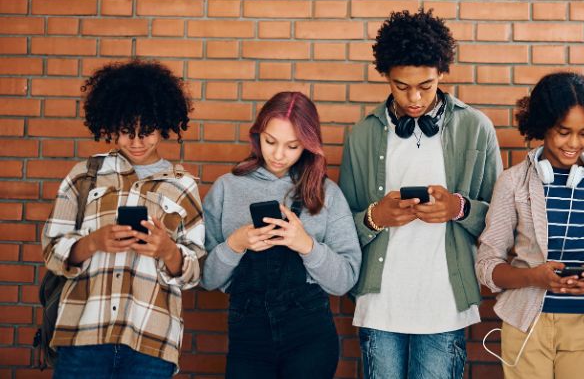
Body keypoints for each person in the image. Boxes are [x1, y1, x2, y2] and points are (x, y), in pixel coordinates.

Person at [338, 9, 503, 379]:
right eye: (401, 86)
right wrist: (374, 218)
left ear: (442, 73)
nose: (414, 98)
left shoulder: (476, 128)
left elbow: (502, 222)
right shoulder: (362, 134)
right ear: (385, 76)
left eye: (425, 86)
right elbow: (340, 227)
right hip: (379, 302)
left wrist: (458, 208)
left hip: (445, 300)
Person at [41, 59, 204, 378]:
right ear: (111, 125)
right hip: (83, 336)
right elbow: (51, 250)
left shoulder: (182, 184)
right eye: (127, 131)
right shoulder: (84, 176)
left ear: (163, 123)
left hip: (151, 343)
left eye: (147, 131)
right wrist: (92, 243)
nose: (137, 141)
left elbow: (195, 270)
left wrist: (167, 250)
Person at [476, 72, 584, 379]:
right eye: (563, 132)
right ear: (543, 125)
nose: (574, 143)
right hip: (527, 325)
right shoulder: (513, 182)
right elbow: (486, 264)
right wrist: (532, 277)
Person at [200, 91, 360, 379]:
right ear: (257, 135)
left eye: (292, 146)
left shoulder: (327, 194)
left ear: (308, 146)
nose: (277, 154)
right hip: (248, 339)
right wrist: (235, 244)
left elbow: (345, 280)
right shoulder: (227, 188)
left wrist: (307, 245)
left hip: (310, 336)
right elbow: (207, 279)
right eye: (270, 141)